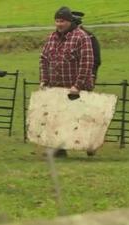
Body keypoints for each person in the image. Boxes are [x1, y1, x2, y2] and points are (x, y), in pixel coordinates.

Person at [39, 6, 94, 157]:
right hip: (57, 88)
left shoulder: (81, 37)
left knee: (80, 119)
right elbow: (43, 58)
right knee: (57, 118)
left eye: (62, 21)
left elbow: (87, 62)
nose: (59, 24)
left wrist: (78, 85)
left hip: (77, 89)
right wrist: (44, 80)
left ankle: (91, 144)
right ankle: (59, 149)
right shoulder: (52, 38)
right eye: (57, 21)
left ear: (69, 21)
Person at [72, 11, 101, 81]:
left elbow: (96, 58)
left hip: (85, 76)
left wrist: (92, 74)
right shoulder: (66, 36)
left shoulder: (89, 36)